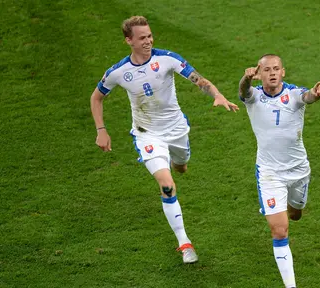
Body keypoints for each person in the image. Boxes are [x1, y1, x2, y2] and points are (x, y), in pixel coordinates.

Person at [90, 16, 239, 264]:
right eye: (142, 38)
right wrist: (101, 129)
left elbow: (198, 79)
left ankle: (177, 162)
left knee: (181, 166)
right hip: (147, 134)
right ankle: (185, 243)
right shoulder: (118, 72)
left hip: (177, 129)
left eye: (149, 36)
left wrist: (217, 94)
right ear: (129, 41)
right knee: (167, 185)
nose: (148, 41)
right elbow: (96, 98)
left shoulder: (167, 58)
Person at [238, 54, 320, 287]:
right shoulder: (254, 96)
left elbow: (307, 97)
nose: (273, 73)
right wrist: (245, 79)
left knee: (295, 214)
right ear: (259, 73)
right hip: (269, 173)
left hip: (298, 170)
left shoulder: (294, 94)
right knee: (279, 230)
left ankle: (289, 206)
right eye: (267, 70)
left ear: (283, 72)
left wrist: (315, 95)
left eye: (276, 69)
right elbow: (243, 91)